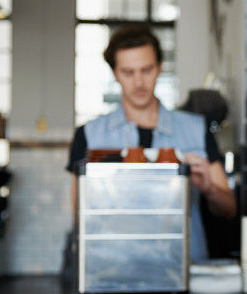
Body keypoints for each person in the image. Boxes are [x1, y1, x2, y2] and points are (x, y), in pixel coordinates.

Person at [67, 25, 236, 261]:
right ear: (115, 73)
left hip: (185, 267)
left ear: (159, 68)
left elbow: (228, 209)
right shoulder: (89, 135)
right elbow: (79, 215)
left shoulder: (196, 130)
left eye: (146, 70)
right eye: (128, 72)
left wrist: (209, 188)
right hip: (113, 269)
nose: (138, 82)